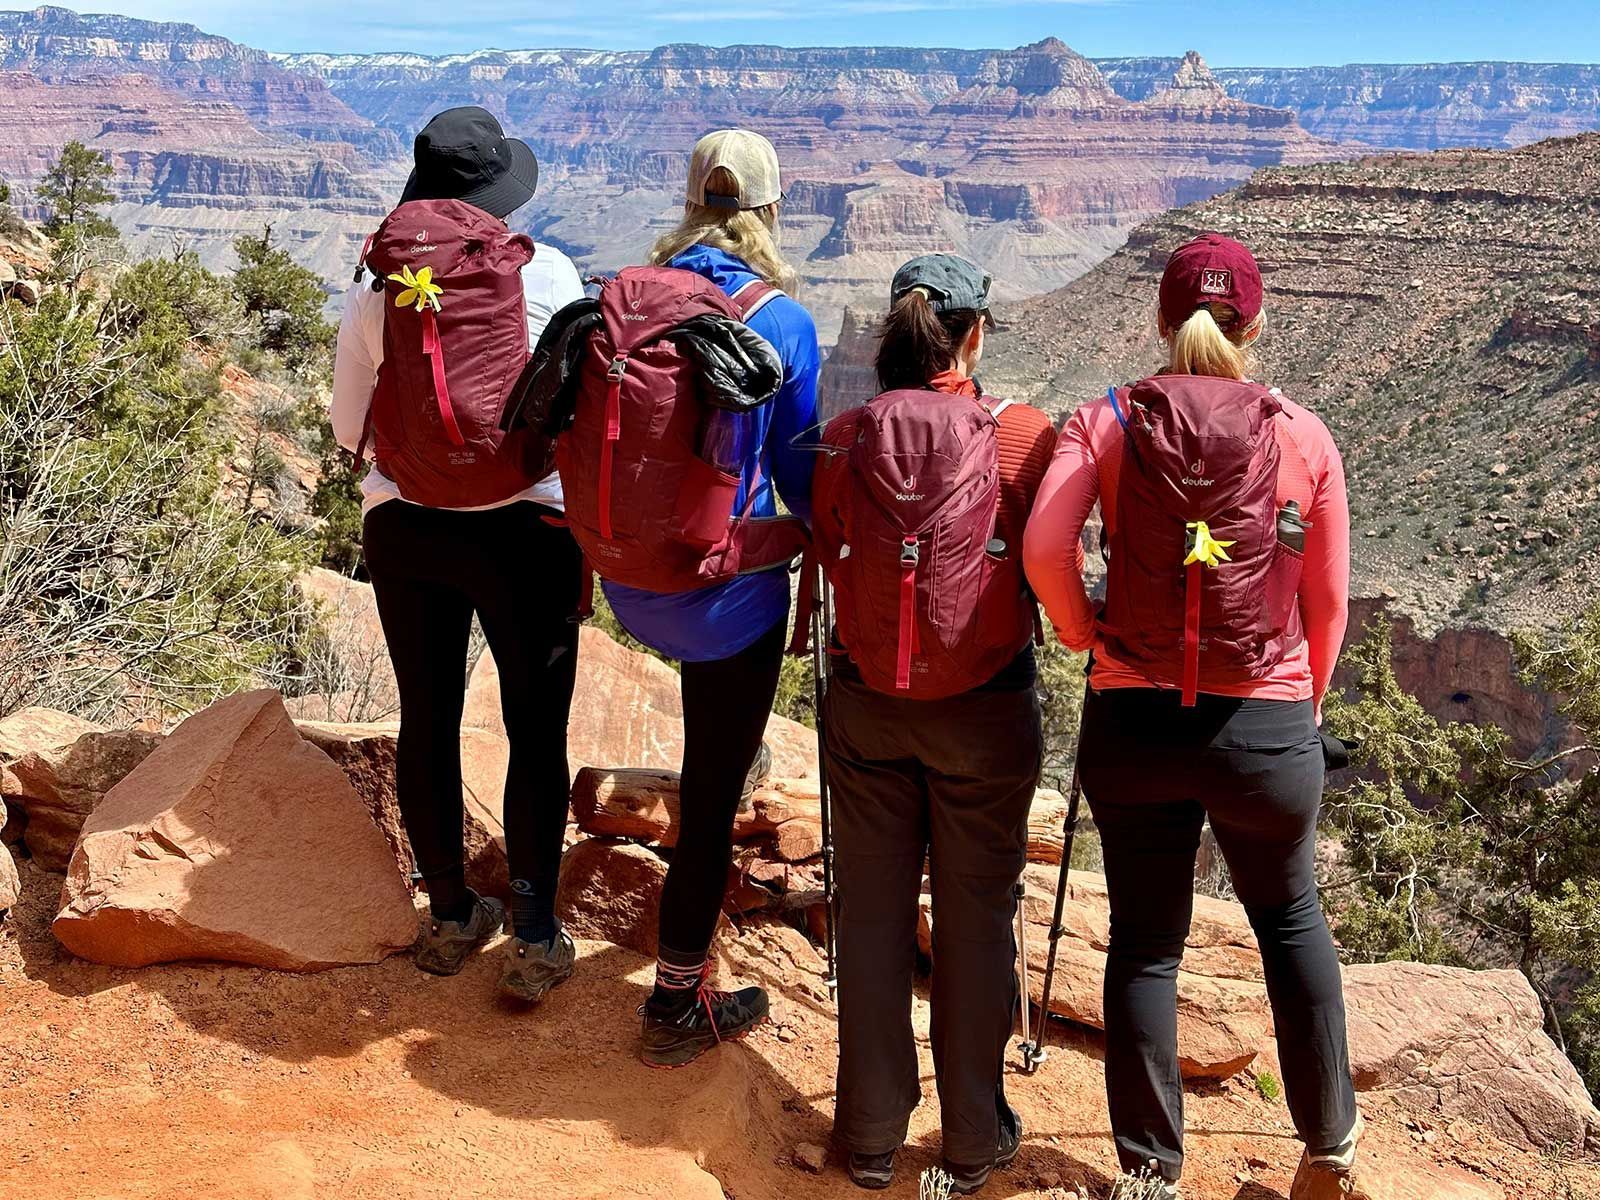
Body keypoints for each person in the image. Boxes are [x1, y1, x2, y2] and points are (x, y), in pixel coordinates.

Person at [1023, 233, 1359, 1200]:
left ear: (1163, 322)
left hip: (1134, 719)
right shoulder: (1302, 433)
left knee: (1145, 945)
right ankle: (1329, 1142)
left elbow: (1048, 542)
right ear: (1257, 326)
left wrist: (1086, 630)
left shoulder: (1113, 417)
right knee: (1292, 918)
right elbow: (1327, 604)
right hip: (1266, 724)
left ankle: (1149, 1175)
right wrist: (1300, 699)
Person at [813, 255, 1058, 1194]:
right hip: (985, 712)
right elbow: (1046, 562)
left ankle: (869, 1134)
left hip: (867, 704)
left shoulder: (844, 435)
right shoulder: (1019, 435)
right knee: (976, 915)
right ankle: (971, 1135)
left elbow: (829, 547)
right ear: (975, 334)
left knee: (871, 914)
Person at [331, 106, 587, 1002]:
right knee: (534, 730)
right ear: (495, 193)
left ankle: (447, 915)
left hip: (407, 526)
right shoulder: (546, 272)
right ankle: (535, 932)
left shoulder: (374, 286)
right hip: (527, 533)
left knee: (426, 716)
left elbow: (343, 424)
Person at [602, 129, 821, 1067]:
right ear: (770, 212)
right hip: (723, 600)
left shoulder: (628, 298)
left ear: (692, 203)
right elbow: (804, 484)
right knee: (711, 791)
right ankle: (676, 1003)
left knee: (715, 739)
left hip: (626, 580)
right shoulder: (782, 323)